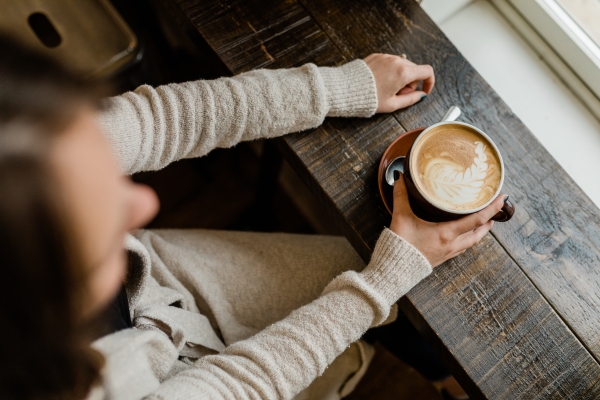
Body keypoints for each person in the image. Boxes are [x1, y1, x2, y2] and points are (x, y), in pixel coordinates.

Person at [0, 35, 506, 400]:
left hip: (162, 285)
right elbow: (243, 384)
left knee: (373, 259)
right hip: (202, 377)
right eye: (94, 221)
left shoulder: (17, 149)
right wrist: (383, 280)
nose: (144, 207)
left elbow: (160, 120)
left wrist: (335, 90)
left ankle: (433, 372)